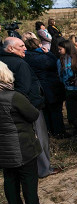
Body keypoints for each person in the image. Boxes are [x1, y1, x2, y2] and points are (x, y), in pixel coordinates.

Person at [0, 61, 55, 204]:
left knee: (10, 177)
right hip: (21, 143)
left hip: (3, 146)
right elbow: (33, 114)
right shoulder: (13, 97)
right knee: (28, 176)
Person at [0, 37, 58, 178]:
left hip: (8, 108)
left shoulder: (2, 62)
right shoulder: (20, 64)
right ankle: (44, 169)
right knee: (40, 137)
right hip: (29, 106)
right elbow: (24, 89)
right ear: (11, 48)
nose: (25, 48)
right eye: (21, 46)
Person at [24, 38, 67, 138]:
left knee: (45, 111)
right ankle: (59, 132)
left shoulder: (25, 57)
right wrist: (49, 53)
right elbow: (57, 64)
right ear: (39, 45)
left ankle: (48, 131)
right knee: (56, 111)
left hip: (38, 87)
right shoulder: (44, 57)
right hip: (51, 86)